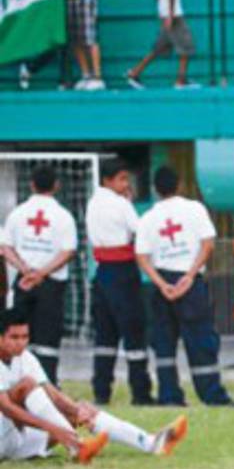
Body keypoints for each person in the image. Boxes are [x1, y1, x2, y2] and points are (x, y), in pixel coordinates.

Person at [0, 307, 187, 464]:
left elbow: (52, 395)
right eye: (14, 337)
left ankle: (151, 442)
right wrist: (53, 428)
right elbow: (7, 408)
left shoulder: (27, 358)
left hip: (18, 439)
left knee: (82, 408)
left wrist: (77, 412)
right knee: (27, 385)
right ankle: (76, 445)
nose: (21, 343)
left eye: (24, 337)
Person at [136, 165, 234, 406]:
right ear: (179, 184)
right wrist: (190, 276)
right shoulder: (194, 209)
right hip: (190, 280)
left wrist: (162, 285)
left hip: (162, 284)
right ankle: (211, 395)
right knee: (201, 339)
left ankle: (169, 395)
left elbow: (141, 256)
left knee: (163, 342)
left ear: (155, 189)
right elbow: (208, 244)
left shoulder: (149, 217)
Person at [85, 157, 154, 405]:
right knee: (134, 333)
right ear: (108, 180)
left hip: (102, 273)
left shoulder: (93, 202)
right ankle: (140, 392)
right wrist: (130, 203)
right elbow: (140, 229)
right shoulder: (120, 204)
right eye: (122, 179)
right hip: (123, 272)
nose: (126, 184)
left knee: (105, 335)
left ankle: (101, 391)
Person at [1, 164, 77, 385]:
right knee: (48, 337)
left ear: (31, 184)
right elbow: (68, 251)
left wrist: (25, 269)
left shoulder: (18, 213)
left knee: (16, 334)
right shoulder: (63, 216)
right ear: (56, 185)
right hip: (50, 283)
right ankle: (47, 383)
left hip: (23, 281)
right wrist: (41, 273)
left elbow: (5, 247)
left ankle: (16, 381)